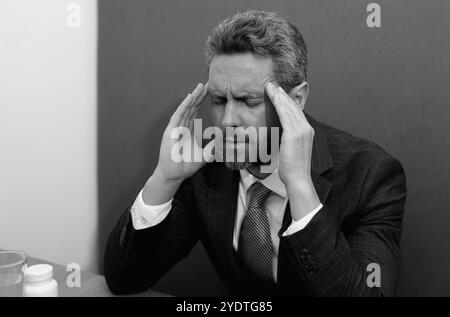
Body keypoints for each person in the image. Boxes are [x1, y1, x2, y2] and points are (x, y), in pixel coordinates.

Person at [104, 10, 407, 296]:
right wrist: (164, 179)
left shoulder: (370, 176)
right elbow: (124, 279)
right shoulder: (205, 168)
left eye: (249, 101)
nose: (227, 121)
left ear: (296, 98)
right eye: (219, 100)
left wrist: (300, 186)